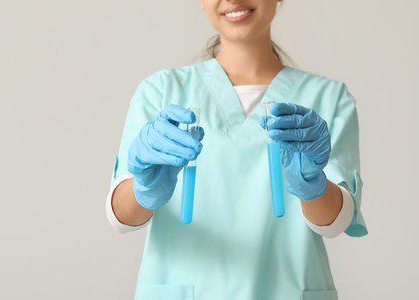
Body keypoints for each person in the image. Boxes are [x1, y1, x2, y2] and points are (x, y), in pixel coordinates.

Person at [105, 0, 368, 299]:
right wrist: (143, 189)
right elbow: (119, 218)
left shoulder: (329, 97)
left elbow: (337, 222)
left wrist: (313, 186)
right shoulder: (161, 91)